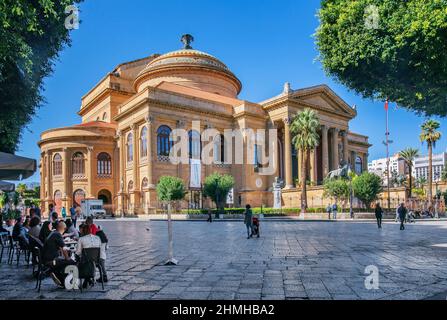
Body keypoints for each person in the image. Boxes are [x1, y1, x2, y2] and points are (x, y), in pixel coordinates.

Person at [41, 221, 76, 287]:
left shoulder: (53, 233)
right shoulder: (58, 234)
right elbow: (63, 248)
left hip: (46, 258)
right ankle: (66, 280)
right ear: (65, 229)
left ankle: (60, 278)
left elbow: (60, 247)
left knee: (64, 261)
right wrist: (67, 258)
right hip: (51, 260)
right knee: (72, 262)